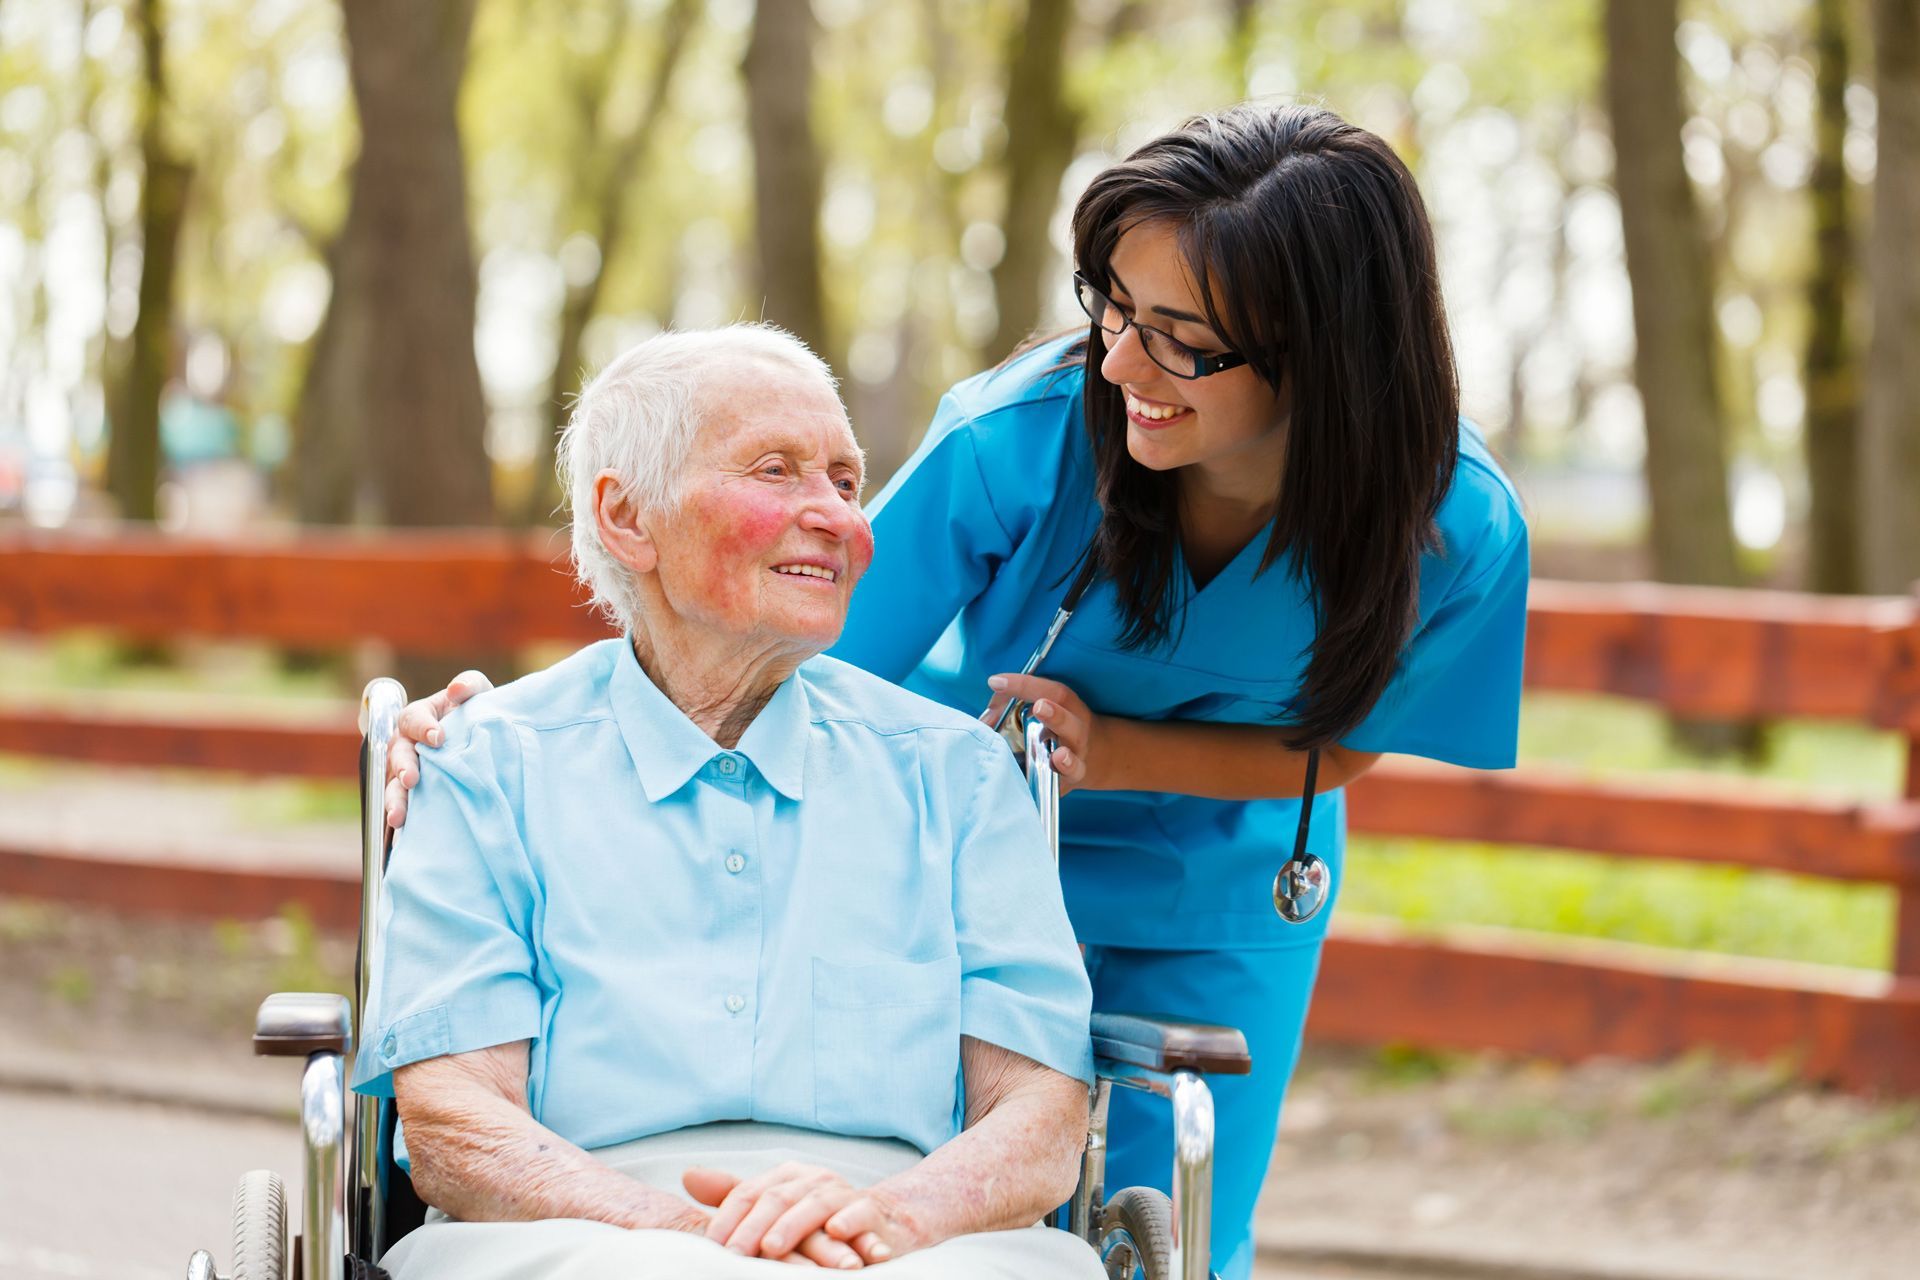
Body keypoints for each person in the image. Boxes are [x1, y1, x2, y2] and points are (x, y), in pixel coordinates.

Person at [386, 102, 1529, 1279]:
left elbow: (1340, 746)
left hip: (1215, 865)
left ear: (1322, 351)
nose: (1122, 363)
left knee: (1176, 1230)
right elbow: (765, 647)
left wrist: (1106, 751)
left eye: (1180, 336)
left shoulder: (1454, 523)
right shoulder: (1019, 440)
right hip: (925, 836)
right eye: (1115, 310)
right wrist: (506, 744)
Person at [354, 325, 1104, 1278]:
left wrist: (882, 1221)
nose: (836, 516)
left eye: (843, 479)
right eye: (777, 471)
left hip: (912, 1229)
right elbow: (459, 1126)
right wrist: (704, 1240)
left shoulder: (956, 774)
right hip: (572, 1221)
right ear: (629, 518)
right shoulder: (486, 768)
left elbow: (1042, 1117)